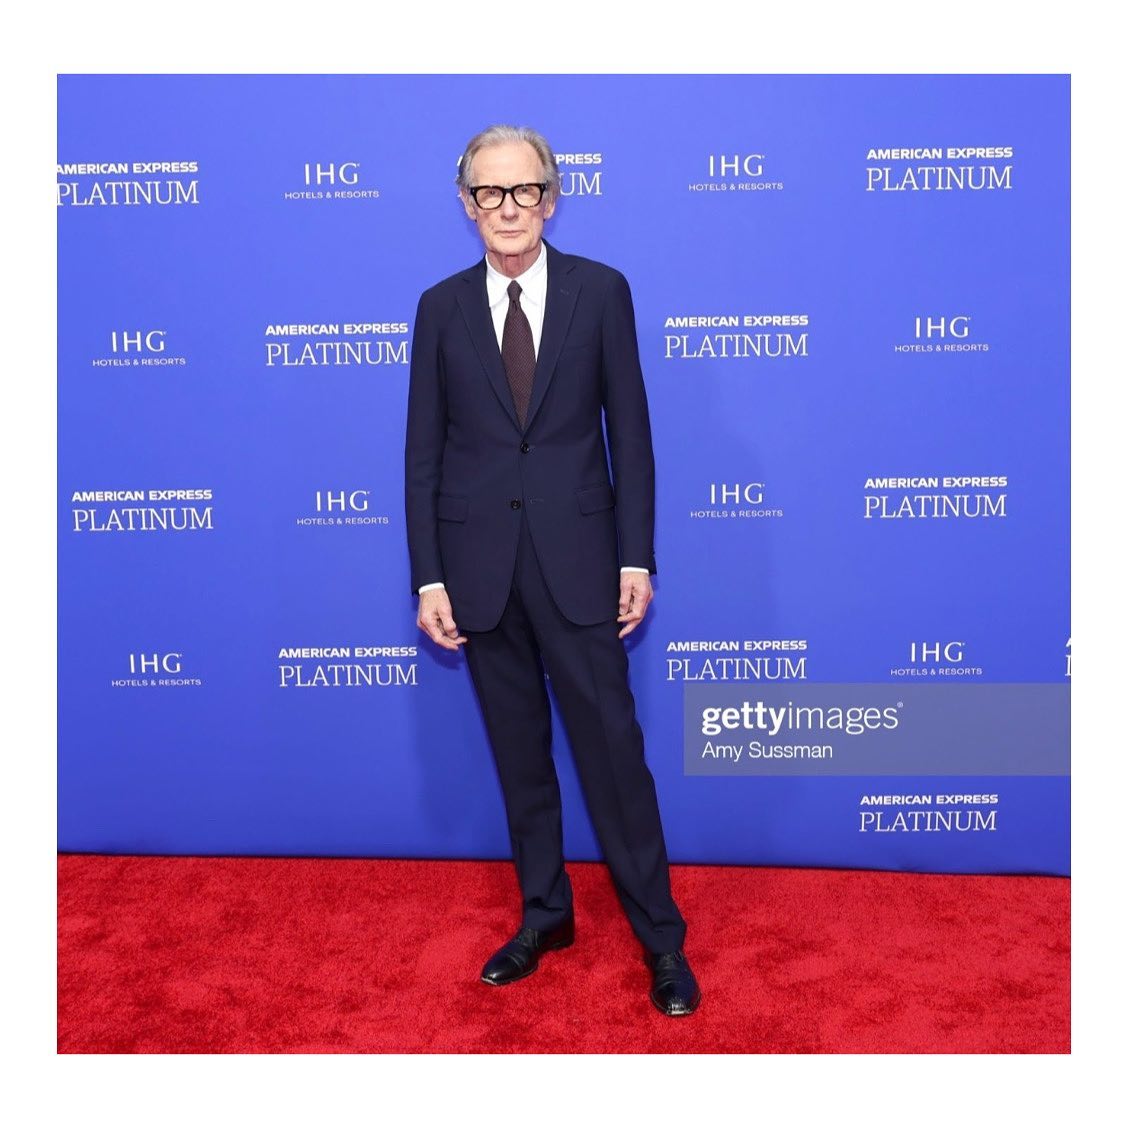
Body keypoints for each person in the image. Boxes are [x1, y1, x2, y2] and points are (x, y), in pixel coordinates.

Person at [404, 124, 699, 1017]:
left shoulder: (601, 292)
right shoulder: (440, 305)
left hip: (580, 566)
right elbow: (422, 453)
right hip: (479, 572)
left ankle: (661, 941)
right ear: (466, 202)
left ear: (551, 196)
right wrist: (430, 576)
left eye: (523, 191)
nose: (507, 209)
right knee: (520, 761)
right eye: (488, 193)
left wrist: (635, 554)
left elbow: (632, 437)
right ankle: (545, 915)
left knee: (615, 757)